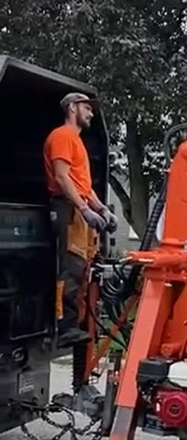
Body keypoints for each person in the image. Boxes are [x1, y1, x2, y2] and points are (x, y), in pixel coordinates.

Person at [43, 92, 118, 347]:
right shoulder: (62, 137)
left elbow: (82, 184)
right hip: (67, 207)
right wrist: (83, 209)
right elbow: (63, 178)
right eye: (87, 108)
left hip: (77, 207)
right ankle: (65, 326)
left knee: (82, 268)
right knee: (70, 268)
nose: (91, 113)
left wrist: (102, 210)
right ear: (73, 108)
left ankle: (76, 323)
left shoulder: (76, 141)